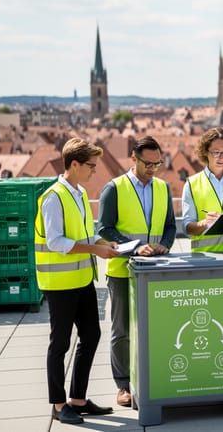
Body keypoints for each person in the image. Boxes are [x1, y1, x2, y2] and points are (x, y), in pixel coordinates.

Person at [34, 138, 117, 424]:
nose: (95, 170)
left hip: (82, 279)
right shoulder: (53, 197)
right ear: (75, 164)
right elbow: (57, 242)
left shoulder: (79, 193)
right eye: (91, 165)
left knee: (91, 335)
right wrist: (95, 249)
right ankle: (59, 406)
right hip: (59, 284)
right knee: (60, 344)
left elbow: (84, 233)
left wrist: (102, 241)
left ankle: (78, 400)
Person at [97, 136, 176, 408]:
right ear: (134, 159)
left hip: (155, 270)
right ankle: (122, 385)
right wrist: (137, 247)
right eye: (148, 164)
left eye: (157, 164)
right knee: (122, 330)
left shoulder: (164, 188)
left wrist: (164, 246)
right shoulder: (114, 189)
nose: (153, 169)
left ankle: (153, 377)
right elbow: (104, 229)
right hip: (122, 270)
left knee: (157, 326)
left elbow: (169, 227)